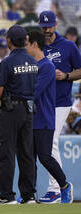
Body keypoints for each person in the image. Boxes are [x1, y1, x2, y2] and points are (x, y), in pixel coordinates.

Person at [0, 25, 38, 204]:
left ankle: (6, 195)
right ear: (25, 40)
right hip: (29, 110)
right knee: (26, 153)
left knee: (6, 151)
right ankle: (29, 195)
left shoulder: (7, 62)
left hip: (11, 110)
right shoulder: (33, 62)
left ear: (8, 40)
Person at [25, 30, 74, 204]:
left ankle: (64, 186)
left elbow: (34, 91)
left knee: (44, 157)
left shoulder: (47, 66)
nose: (24, 46)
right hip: (31, 118)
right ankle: (29, 194)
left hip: (44, 118)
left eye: (26, 43)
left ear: (35, 45)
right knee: (29, 158)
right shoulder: (30, 64)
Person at [38, 11, 81, 203]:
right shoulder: (37, 46)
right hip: (42, 102)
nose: (47, 30)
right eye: (43, 26)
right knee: (44, 144)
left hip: (61, 101)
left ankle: (57, 188)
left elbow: (80, 70)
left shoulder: (68, 46)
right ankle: (57, 187)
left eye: (49, 26)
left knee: (51, 141)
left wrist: (66, 76)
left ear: (56, 24)